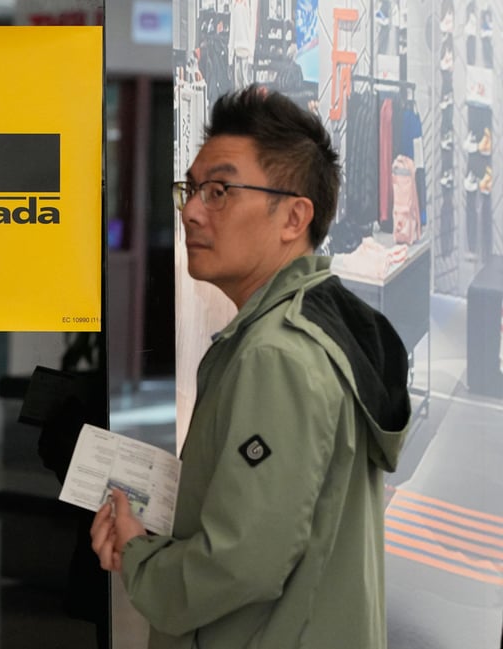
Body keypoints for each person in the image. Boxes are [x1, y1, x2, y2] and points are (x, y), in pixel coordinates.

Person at [90, 85, 413, 648]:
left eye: (219, 191)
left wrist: (140, 555)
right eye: (191, 189)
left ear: (294, 217)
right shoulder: (321, 323)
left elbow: (242, 561)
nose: (191, 210)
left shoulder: (277, 355)